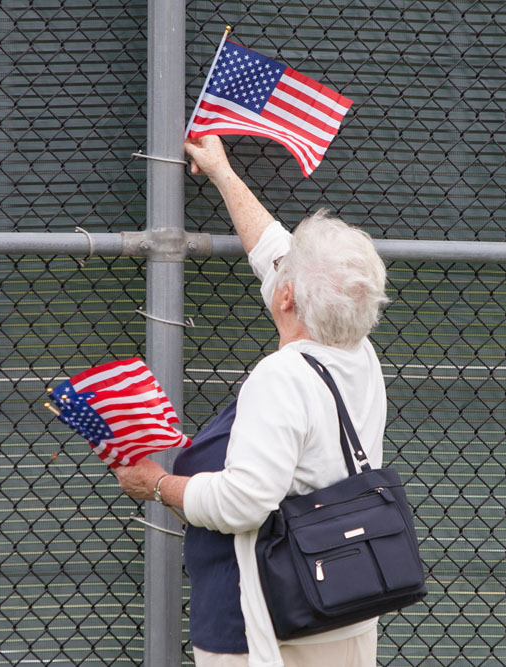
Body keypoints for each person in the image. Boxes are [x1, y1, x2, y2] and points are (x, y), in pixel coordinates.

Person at [115, 135, 390, 667]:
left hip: (268, 622)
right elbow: (277, 255)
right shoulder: (359, 352)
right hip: (346, 601)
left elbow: (245, 502)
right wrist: (221, 172)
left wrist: (156, 485)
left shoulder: (281, 376)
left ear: (287, 298)